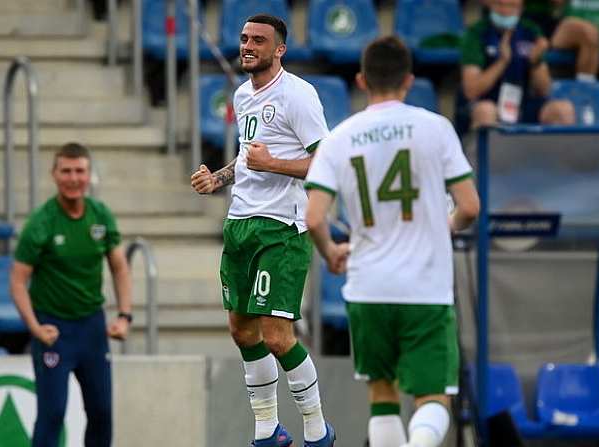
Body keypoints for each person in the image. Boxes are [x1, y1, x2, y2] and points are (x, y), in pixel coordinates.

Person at [305, 36, 481, 447]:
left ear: (362, 80)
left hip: (368, 286)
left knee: (381, 396)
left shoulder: (340, 138)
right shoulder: (435, 128)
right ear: (410, 80)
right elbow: (470, 206)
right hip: (425, 288)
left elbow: (314, 217)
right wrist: (441, 227)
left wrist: (331, 252)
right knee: (432, 397)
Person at [190, 13, 335, 447]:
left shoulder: (298, 95)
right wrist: (216, 179)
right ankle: (268, 430)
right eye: (244, 38)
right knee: (241, 330)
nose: (248, 46)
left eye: (259, 40)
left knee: (276, 335)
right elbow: (247, 158)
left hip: (281, 227)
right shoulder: (242, 93)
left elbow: (326, 161)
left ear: (280, 49)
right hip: (240, 222)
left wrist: (275, 164)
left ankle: (316, 430)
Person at [10, 142, 133, 447]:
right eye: (66, 171)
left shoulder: (100, 215)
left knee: (102, 413)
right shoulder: (41, 222)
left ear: (89, 175)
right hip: (54, 330)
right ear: (54, 175)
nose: (73, 178)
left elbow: (119, 267)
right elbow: (17, 280)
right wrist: (35, 327)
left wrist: (124, 316)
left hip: (92, 328)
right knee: (52, 414)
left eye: (80, 171)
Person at [461, 0, 575, 129]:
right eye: (500, 4)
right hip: (486, 103)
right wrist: (502, 62)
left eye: (511, 6)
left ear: (521, 9)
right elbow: (471, 91)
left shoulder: (530, 31)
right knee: (486, 110)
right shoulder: (477, 33)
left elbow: (544, 90)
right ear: (491, 5)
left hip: (522, 104)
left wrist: (535, 62)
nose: (505, 11)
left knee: (562, 109)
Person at [521, 0, 599, 81]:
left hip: (550, 20)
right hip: (523, 20)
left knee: (590, 34)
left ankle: (584, 88)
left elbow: (559, 2)